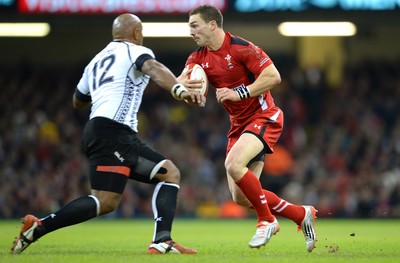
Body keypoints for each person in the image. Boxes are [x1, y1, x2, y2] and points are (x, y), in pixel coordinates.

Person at [10, 13, 205, 255]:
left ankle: (36, 228)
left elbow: (78, 100)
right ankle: (162, 241)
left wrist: (104, 90)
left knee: (106, 201)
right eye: (141, 33)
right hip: (115, 131)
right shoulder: (134, 51)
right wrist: (178, 89)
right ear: (136, 33)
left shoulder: (96, 61)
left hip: (98, 130)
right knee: (170, 173)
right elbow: (152, 67)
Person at [178, 4, 317, 252]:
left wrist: (239, 92)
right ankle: (300, 214)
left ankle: (267, 220)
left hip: (265, 116)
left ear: (212, 25)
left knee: (233, 165)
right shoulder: (197, 58)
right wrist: (183, 92)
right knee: (241, 197)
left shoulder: (240, 47)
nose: (190, 31)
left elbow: (273, 76)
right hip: (239, 127)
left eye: (194, 25)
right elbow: (180, 82)